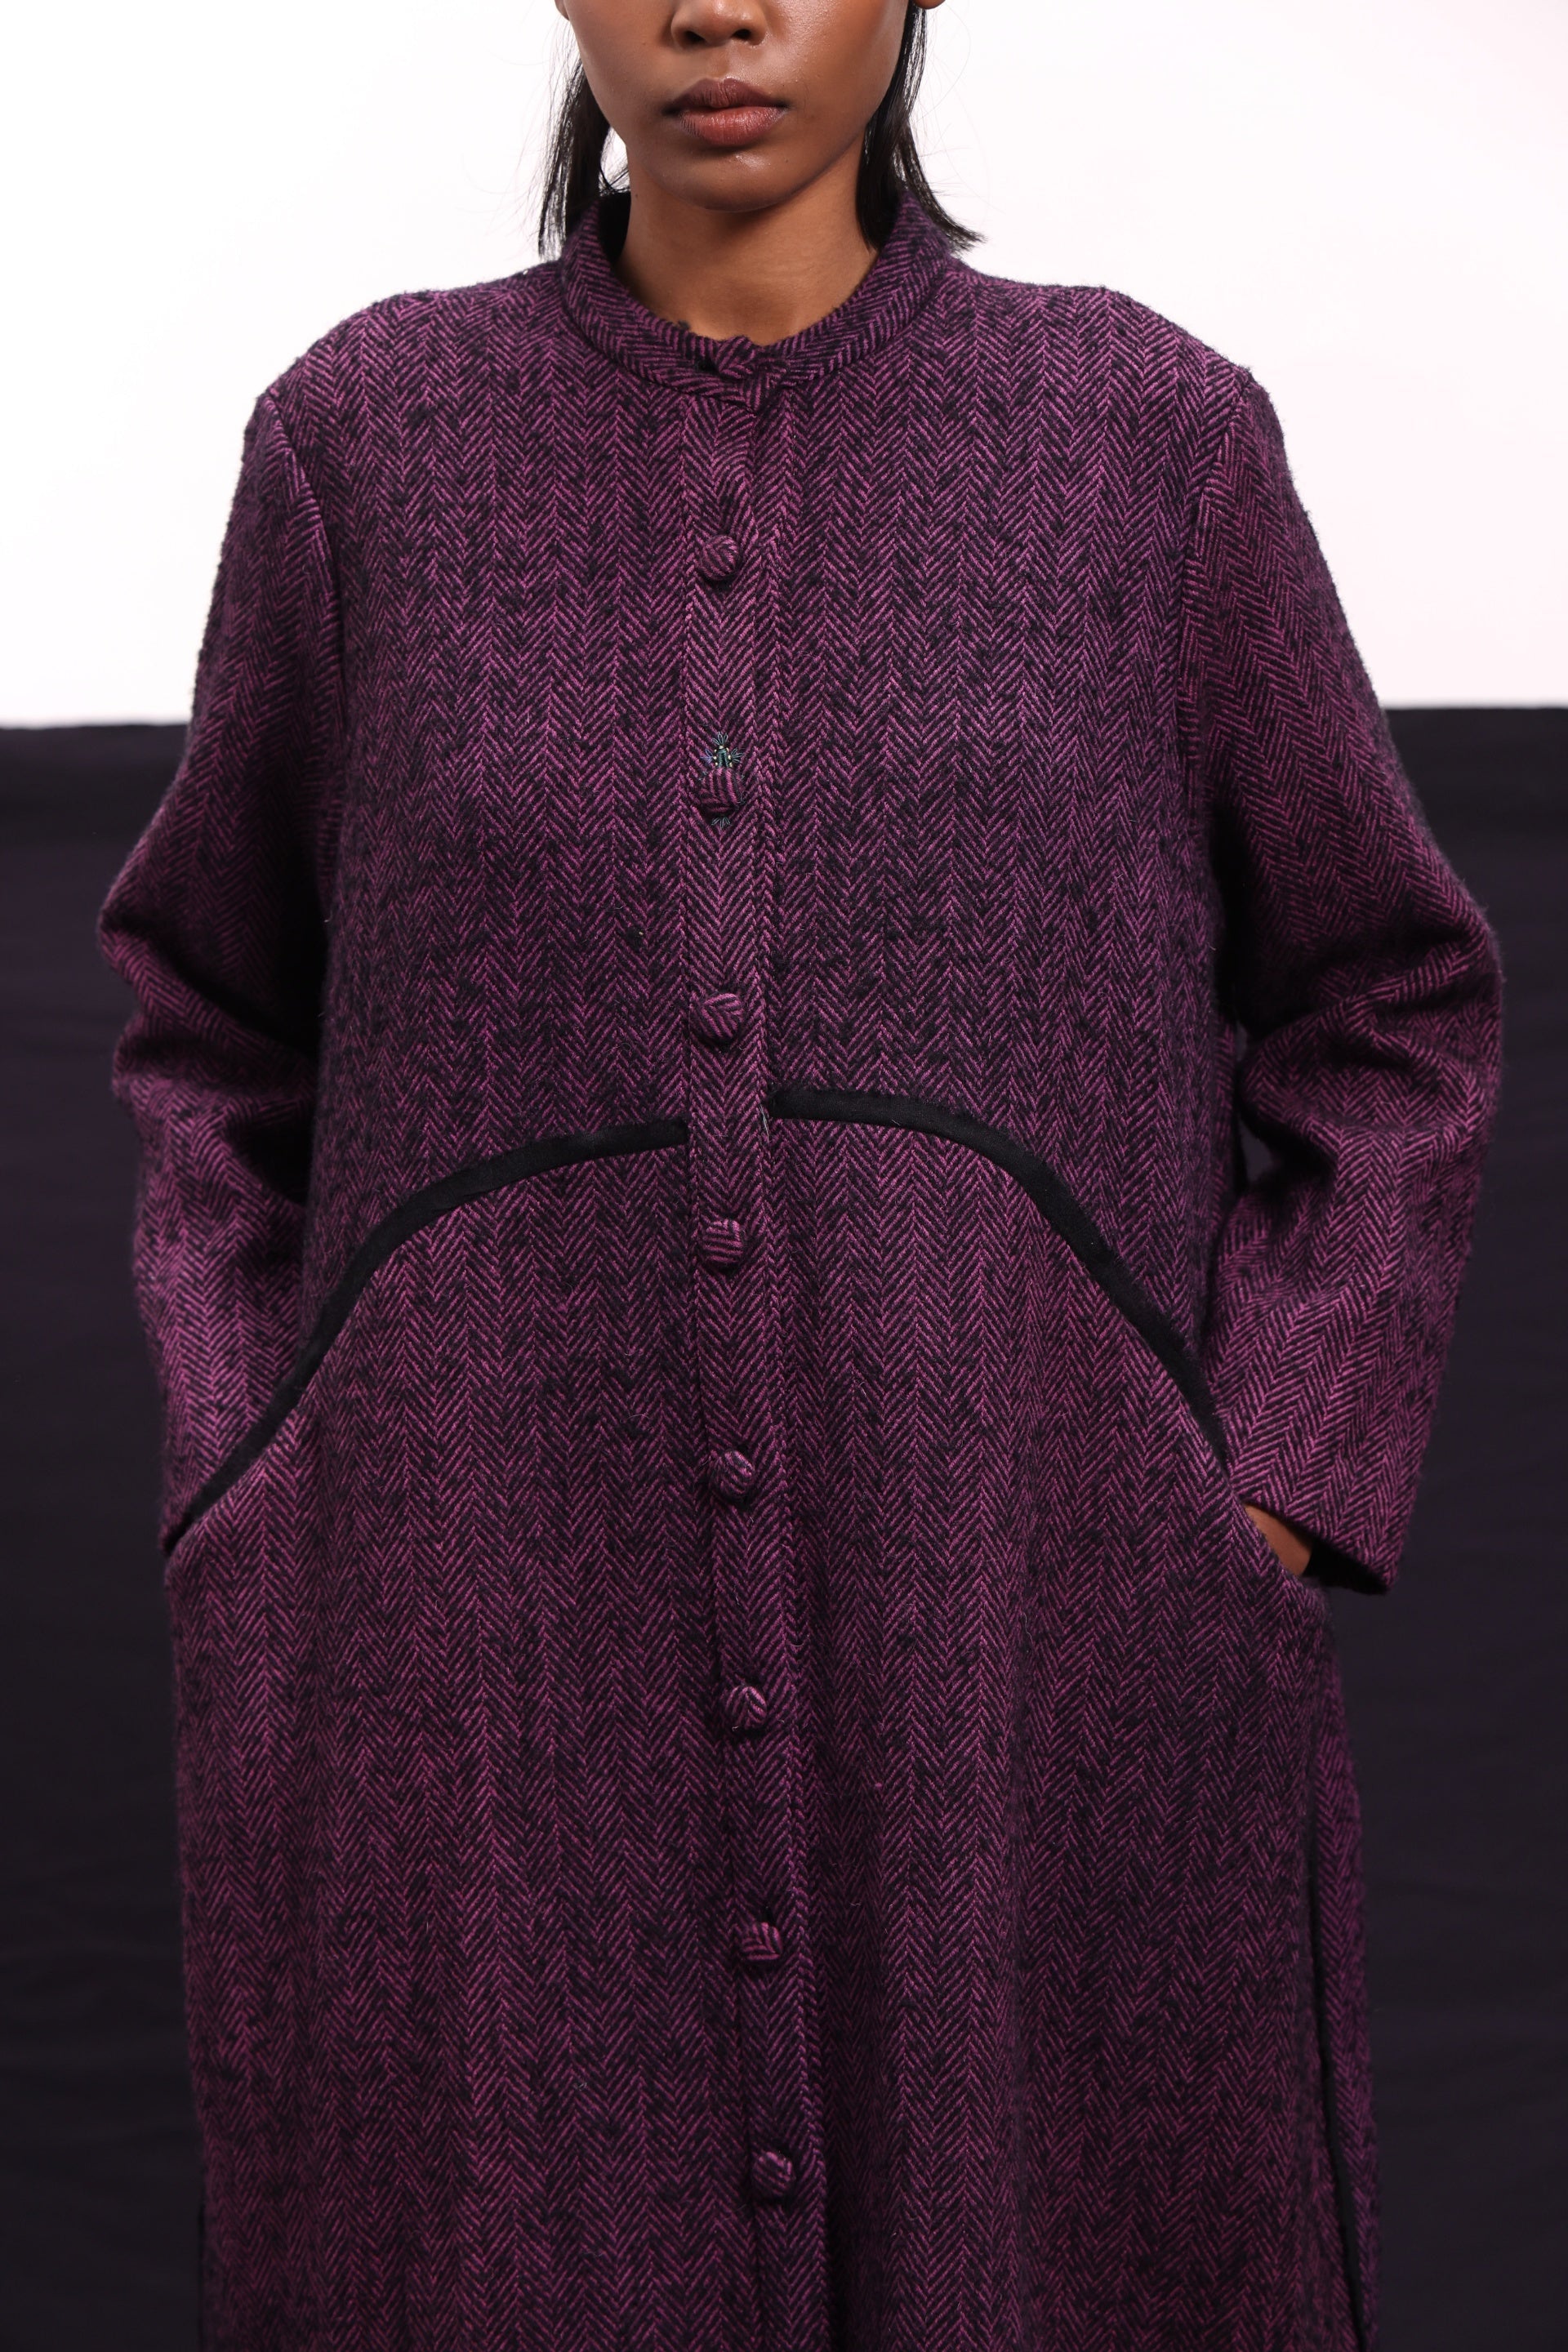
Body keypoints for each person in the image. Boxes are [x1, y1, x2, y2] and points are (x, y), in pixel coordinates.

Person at [97, 2, 1503, 2345]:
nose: (716, 10)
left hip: (1034, 1662)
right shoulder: (366, 450)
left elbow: (1395, 1000)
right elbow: (209, 1024)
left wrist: (1261, 1486)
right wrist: (264, 1479)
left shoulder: (1148, 446)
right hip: (481, 1675)